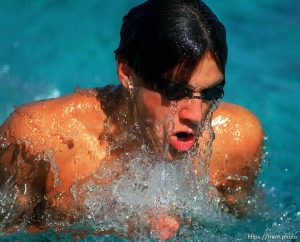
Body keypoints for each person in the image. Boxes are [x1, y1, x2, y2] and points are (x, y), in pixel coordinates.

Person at [0, 0, 264, 240]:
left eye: (210, 93)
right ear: (127, 72)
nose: (196, 115)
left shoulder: (239, 139)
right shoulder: (37, 137)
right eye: (174, 91)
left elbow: (245, 228)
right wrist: (108, 230)